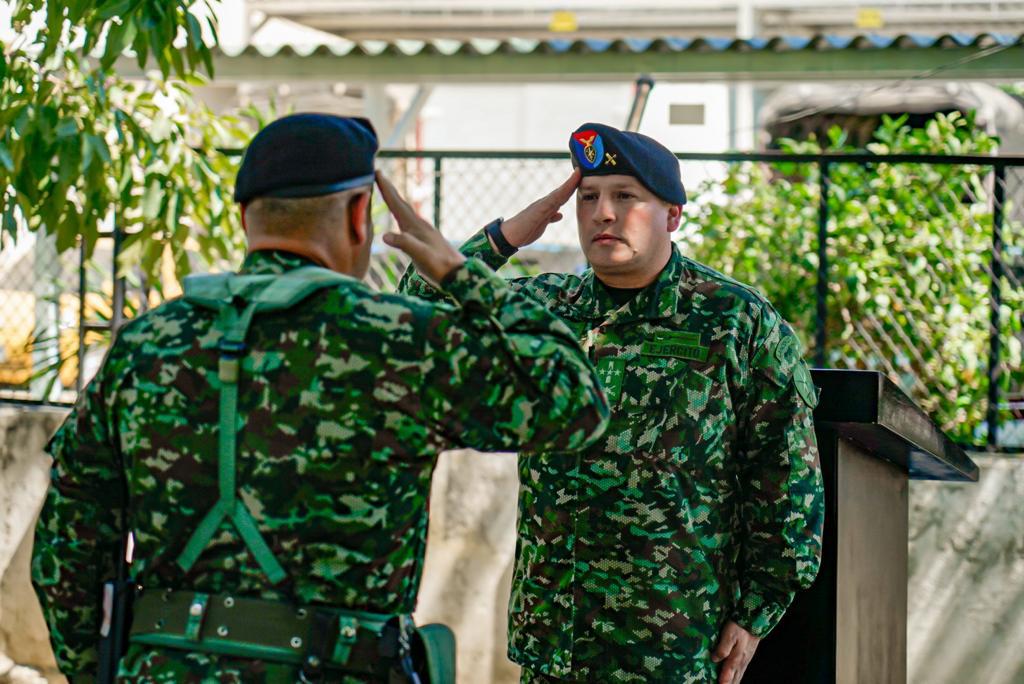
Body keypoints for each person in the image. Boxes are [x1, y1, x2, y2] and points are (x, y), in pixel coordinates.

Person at [30, 113, 609, 683]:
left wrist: (108, 669)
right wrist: (461, 271)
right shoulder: (399, 340)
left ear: (243, 218)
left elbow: (67, 547)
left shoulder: (145, 344)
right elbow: (578, 403)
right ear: (360, 215)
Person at [400, 122, 825, 683]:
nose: (603, 213)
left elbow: (784, 478)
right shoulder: (547, 308)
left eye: (626, 196)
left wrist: (754, 614)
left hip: (671, 645)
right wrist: (508, 236)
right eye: (588, 197)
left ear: (672, 214)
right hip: (554, 642)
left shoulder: (736, 321)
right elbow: (418, 311)